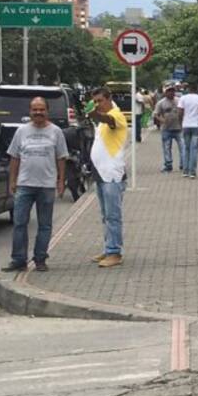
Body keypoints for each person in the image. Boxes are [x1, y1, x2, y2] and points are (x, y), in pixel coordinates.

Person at [2, 97, 67, 273]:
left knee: (45, 225)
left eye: (41, 109)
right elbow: (14, 157)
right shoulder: (21, 131)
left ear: (47, 111)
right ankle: (18, 260)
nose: (38, 112)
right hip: (24, 185)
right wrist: (13, 180)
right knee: (19, 223)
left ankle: (40, 259)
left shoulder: (56, 132)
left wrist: (61, 181)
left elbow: (61, 158)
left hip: (46, 186)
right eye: (35, 109)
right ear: (30, 111)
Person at [87, 87, 129, 269]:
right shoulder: (102, 120)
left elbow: (109, 120)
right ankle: (109, 247)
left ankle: (114, 252)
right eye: (95, 101)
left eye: (100, 101)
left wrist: (96, 114)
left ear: (109, 98)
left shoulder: (116, 115)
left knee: (113, 216)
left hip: (112, 175)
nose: (98, 104)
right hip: (101, 174)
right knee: (106, 216)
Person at [178, 84, 198, 179]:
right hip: (196, 125)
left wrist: (180, 124)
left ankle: (185, 171)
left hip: (186, 125)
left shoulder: (183, 98)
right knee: (194, 149)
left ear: (188, 89)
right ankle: (192, 172)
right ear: (197, 89)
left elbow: (180, 112)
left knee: (186, 148)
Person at [153, 84, 182, 173]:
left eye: (173, 91)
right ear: (165, 93)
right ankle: (168, 165)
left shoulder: (179, 101)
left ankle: (183, 164)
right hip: (166, 129)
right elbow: (155, 114)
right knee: (166, 147)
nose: (171, 93)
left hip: (179, 128)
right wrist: (161, 120)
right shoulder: (161, 103)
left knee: (183, 147)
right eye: (169, 91)